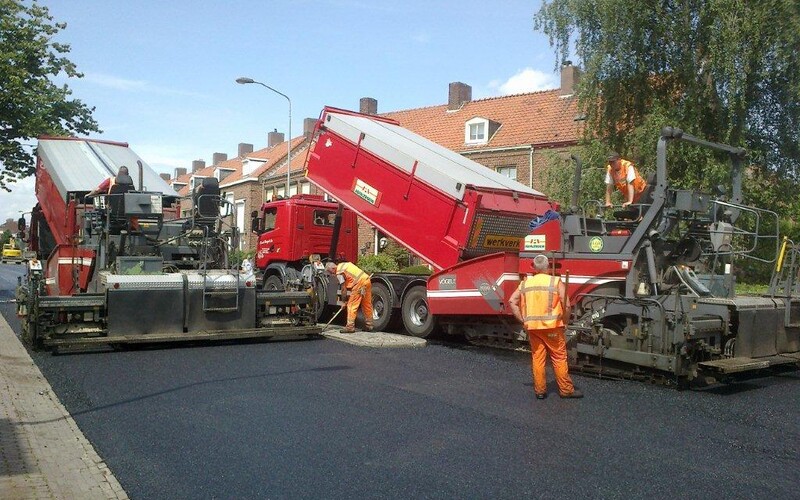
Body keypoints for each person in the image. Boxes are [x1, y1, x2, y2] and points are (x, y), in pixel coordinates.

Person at [509, 254, 582, 400]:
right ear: (548, 267)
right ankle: (566, 390)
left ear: (534, 268)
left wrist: (523, 321)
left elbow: (512, 301)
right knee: (559, 357)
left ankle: (540, 391)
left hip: (533, 328)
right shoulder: (555, 282)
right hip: (553, 327)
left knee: (538, 358)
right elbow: (566, 305)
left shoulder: (525, 284)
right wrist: (565, 322)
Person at [325, 261, 373, 333]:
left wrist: (343, 302)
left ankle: (350, 327)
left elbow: (343, 288)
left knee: (351, 305)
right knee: (366, 304)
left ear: (333, 268)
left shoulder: (339, 273)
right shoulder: (344, 265)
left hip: (359, 283)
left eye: (331, 272)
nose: (332, 274)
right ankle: (369, 325)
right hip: (366, 280)